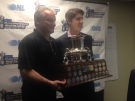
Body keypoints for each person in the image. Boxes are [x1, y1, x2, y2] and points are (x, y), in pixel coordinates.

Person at [18, 7, 66, 101]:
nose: (54, 23)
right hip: (34, 95)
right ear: (38, 21)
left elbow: (55, 66)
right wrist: (49, 83)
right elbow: (25, 71)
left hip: (50, 92)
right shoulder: (29, 41)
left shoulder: (53, 42)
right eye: (49, 20)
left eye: (54, 20)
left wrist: (63, 78)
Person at [56, 8, 95, 101]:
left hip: (87, 87)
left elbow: (90, 60)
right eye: (78, 19)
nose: (81, 21)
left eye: (82, 18)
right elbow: (59, 66)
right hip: (70, 90)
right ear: (69, 21)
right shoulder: (59, 42)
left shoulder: (88, 38)